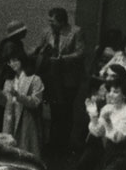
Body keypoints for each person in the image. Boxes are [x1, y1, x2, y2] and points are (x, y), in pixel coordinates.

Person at [31, 8, 86, 154]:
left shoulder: (75, 31)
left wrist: (64, 59)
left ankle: (64, 143)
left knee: (66, 111)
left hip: (69, 78)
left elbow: (80, 52)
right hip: (52, 77)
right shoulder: (47, 32)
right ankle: (53, 142)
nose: (50, 23)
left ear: (62, 21)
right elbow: (39, 47)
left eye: (52, 21)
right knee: (55, 110)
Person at [0, 47, 45, 161]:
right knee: (10, 153)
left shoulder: (34, 79)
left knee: (26, 152)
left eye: (15, 60)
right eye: (10, 62)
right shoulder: (9, 80)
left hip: (27, 120)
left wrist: (18, 96)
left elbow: (36, 102)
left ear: (22, 60)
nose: (12, 64)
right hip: (10, 119)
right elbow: (4, 102)